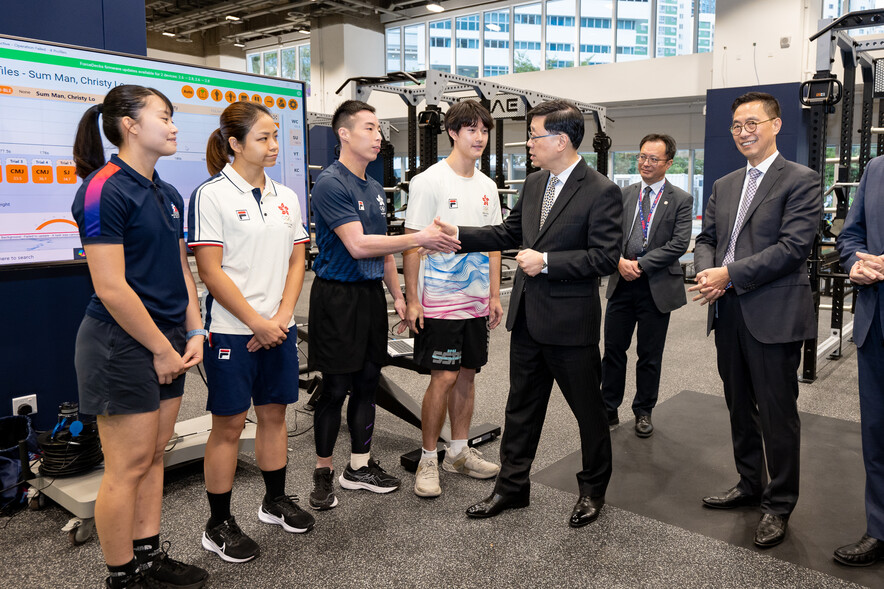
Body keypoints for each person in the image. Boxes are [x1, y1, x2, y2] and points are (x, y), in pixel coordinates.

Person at [434, 100, 622, 527]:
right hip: (529, 321)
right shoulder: (535, 183)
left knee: (589, 414)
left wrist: (549, 262)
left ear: (560, 140)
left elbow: (606, 257)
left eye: (534, 135)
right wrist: (458, 234)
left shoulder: (600, 190)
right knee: (520, 409)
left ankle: (592, 491)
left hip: (571, 326)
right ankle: (512, 487)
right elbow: (509, 232)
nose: (529, 144)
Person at [71, 85, 209, 589]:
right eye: (164, 116)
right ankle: (122, 575)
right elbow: (110, 287)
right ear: (130, 124)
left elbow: (181, 270)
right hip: (121, 344)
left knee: (155, 455)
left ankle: (148, 556)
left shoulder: (167, 192)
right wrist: (161, 349)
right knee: (126, 466)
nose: (174, 126)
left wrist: (193, 329)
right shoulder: (101, 188)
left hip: (170, 339)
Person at [307, 100, 460, 510]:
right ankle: (323, 471)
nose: (379, 137)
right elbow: (358, 246)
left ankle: (358, 467)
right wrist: (420, 238)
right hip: (336, 297)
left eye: (379, 130)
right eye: (371, 128)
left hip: (371, 297)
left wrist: (400, 298)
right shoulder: (330, 182)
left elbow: (384, 254)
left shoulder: (375, 189)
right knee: (336, 387)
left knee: (367, 383)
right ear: (344, 133)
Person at [690, 92, 821, 548]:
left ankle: (779, 503)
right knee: (738, 405)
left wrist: (728, 274)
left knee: (777, 415)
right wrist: (707, 271)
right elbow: (706, 237)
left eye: (753, 123)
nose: (744, 132)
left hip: (774, 313)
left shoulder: (801, 180)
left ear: (776, 125)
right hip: (728, 312)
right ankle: (750, 484)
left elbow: (792, 249)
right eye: (737, 126)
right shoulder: (725, 184)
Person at [188, 101, 313, 563]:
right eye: (263, 138)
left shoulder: (286, 195)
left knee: (275, 414)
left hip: (278, 328)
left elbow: (298, 258)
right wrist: (255, 323)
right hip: (230, 331)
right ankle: (217, 522)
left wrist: (280, 317)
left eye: (275, 136)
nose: (274, 145)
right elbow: (210, 271)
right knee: (229, 425)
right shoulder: (211, 195)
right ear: (235, 144)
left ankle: (273, 500)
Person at [401, 100, 504, 498]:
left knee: (467, 375)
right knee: (442, 377)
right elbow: (412, 245)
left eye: (484, 131)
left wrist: (494, 294)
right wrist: (412, 301)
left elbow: (494, 245)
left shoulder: (488, 186)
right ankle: (429, 459)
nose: (479, 137)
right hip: (439, 301)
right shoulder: (429, 181)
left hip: (476, 302)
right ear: (453, 133)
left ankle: (459, 452)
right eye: (471, 130)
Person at [601, 134, 692, 437]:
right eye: (642, 156)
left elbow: (679, 243)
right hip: (621, 282)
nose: (646, 163)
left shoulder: (680, 199)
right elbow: (607, 236)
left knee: (649, 354)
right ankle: (608, 406)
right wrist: (618, 262)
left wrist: (640, 265)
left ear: (668, 163)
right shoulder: (622, 194)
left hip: (656, 286)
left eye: (654, 158)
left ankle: (643, 411)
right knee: (613, 349)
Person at [834, 156, 884, 567]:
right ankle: (879, 528)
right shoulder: (877, 168)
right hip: (875, 326)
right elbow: (849, 237)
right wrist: (856, 263)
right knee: (877, 435)